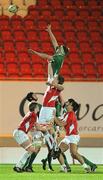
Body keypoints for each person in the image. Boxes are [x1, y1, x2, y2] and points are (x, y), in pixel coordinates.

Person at [54, 98, 97, 173]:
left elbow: (61, 123)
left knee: (74, 153)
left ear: (72, 107)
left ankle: (86, 167)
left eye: (69, 103)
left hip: (73, 136)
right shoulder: (66, 114)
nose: (67, 104)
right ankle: (64, 167)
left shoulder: (71, 114)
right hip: (68, 136)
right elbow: (59, 122)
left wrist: (53, 116)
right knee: (58, 151)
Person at [13, 101, 48, 172]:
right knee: (32, 150)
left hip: (19, 132)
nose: (39, 107)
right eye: (37, 106)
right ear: (35, 108)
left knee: (31, 150)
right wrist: (47, 127)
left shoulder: (30, 114)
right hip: (20, 132)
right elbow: (38, 128)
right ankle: (18, 166)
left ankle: (19, 166)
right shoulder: (34, 115)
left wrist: (41, 127)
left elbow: (32, 128)